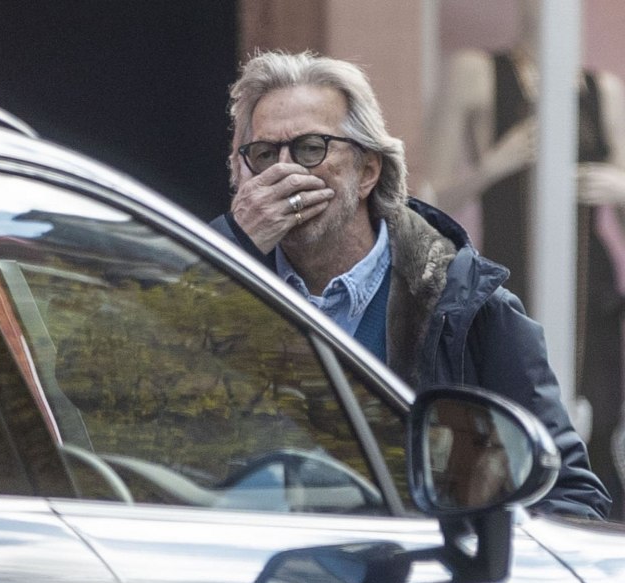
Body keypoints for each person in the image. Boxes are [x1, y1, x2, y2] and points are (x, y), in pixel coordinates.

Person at [210, 49, 611, 520]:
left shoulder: (471, 309)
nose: (284, 172)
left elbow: (570, 499)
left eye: (310, 148)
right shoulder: (214, 294)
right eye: (263, 155)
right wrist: (228, 248)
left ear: (367, 171)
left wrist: (473, 543)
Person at [425, 0, 625, 518]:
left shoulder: (603, 90)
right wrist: (494, 165)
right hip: (507, 283)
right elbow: (425, 201)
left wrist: (620, 188)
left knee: (596, 429)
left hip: (590, 295)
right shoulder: (475, 72)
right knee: (503, 424)